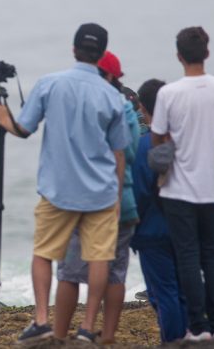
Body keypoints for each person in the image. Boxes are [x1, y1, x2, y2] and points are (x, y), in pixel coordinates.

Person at [0, 23, 131, 343]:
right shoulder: (111, 95)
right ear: (101, 55)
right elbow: (119, 152)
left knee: (43, 253)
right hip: (101, 191)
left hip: (58, 190)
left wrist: (3, 119)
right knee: (99, 257)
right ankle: (87, 326)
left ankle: (41, 319)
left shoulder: (50, 83)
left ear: (74, 49)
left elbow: (24, 129)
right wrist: (118, 196)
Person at [150, 26, 214, 341]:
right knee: (212, 256)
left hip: (178, 190)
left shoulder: (169, 93)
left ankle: (197, 327)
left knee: (187, 257)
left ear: (179, 56)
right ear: (207, 53)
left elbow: (157, 137)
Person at [54, 50, 140, 345]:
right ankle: (108, 336)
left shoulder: (84, 106)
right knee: (116, 272)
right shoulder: (128, 110)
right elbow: (129, 154)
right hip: (124, 200)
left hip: (86, 200)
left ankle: (60, 334)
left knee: (69, 271)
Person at [131, 78, 188, 342]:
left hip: (152, 229)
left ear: (142, 107)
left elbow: (140, 192)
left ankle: (172, 341)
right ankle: (187, 336)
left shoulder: (143, 145)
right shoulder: (185, 140)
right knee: (183, 290)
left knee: (161, 292)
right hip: (185, 225)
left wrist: (133, 225)